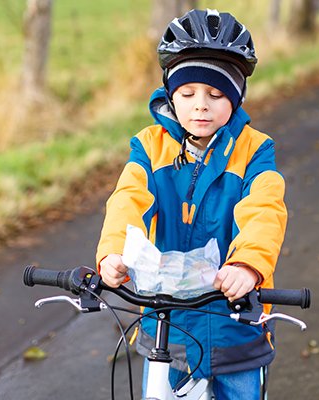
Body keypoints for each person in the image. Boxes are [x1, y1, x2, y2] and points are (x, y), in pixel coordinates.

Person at [94, 9, 287, 400]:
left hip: (236, 321)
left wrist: (249, 264)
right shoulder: (149, 146)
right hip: (168, 322)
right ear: (170, 95)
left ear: (236, 98)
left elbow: (264, 210)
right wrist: (114, 251)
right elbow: (128, 199)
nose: (201, 105)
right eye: (187, 94)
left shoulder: (254, 151)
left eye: (216, 95)